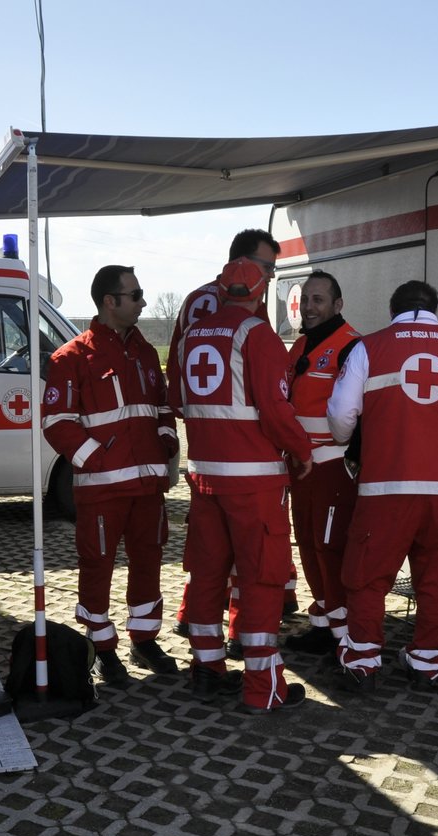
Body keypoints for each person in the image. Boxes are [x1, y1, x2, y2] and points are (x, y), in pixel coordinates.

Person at [327, 280, 438, 692]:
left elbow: (340, 414)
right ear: (434, 309)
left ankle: (363, 663)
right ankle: (427, 664)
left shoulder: (370, 348)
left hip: (384, 491)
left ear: (394, 310)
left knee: (368, 577)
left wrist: (347, 438)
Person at [169, 257, 313, 713]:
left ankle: (207, 669)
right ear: (260, 292)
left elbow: (176, 398)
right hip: (253, 483)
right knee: (262, 578)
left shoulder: (192, 335)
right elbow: (275, 410)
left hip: (204, 477)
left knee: (208, 574)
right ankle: (262, 687)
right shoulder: (258, 335)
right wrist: (302, 451)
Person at [41, 265, 182, 686]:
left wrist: (166, 438)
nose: (142, 302)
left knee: (149, 560)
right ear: (110, 301)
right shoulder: (71, 357)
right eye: (135, 294)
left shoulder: (142, 350)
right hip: (102, 490)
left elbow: (160, 405)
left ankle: (145, 637)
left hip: (147, 487)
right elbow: (57, 422)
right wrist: (98, 460)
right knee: (97, 565)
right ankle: (101, 646)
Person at [283, 271, 361, 658]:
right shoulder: (299, 346)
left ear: (337, 305)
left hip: (332, 467)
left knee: (331, 548)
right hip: (301, 466)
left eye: (319, 300)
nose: (310, 308)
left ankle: (346, 637)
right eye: (306, 300)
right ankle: (323, 623)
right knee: (310, 547)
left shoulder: (352, 347)